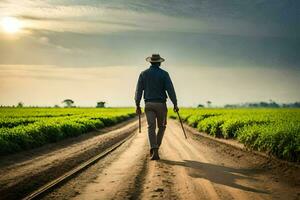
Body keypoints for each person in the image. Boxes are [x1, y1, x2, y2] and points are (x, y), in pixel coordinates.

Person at [135, 54, 179, 160]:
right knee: (162, 127)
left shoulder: (143, 74)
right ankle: (156, 149)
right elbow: (170, 90)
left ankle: (154, 149)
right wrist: (175, 103)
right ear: (159, 63)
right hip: (161, 105)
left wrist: (137, 104)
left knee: (151, 127)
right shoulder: (164, 74)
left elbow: (138, 90)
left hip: (148, 104)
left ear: (150, 62)